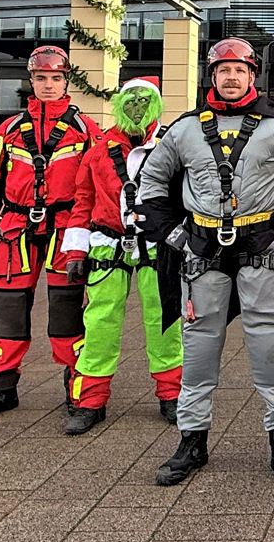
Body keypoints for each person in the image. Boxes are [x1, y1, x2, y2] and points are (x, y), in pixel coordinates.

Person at [139, 38, 274, 488]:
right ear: (211, 75)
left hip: (261, 248)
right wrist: (173, 237)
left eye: (239, 70)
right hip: (202, 252)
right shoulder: (183, 130)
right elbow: (151, 182)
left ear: (252, 75)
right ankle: (192, 439)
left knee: (267, 343)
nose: (230, 77)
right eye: (222, 69)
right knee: (200, 346)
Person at [0, 46, 102, 423]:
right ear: (31, 81)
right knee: (8, 313)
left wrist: (97, 232)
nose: (48, 85)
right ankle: (2, 388)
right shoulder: (8, 130)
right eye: (41, 78)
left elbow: (100, 183)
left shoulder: (86, 129)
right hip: (15, 231)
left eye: (56, 79)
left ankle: (77, 391)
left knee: (67, 314)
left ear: (66, 81)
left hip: (66, 231)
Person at [58, 76, 182, 435]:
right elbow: (83, 202)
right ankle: (90, 401)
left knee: (165, 323)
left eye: (144, 101)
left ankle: (171, 396)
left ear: (156, 106)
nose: (137, 108)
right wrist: (75, 251)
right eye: (130, 101)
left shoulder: (173, 145)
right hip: (106, 245)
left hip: (158, 246)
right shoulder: (98, 150)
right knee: (99, 325)